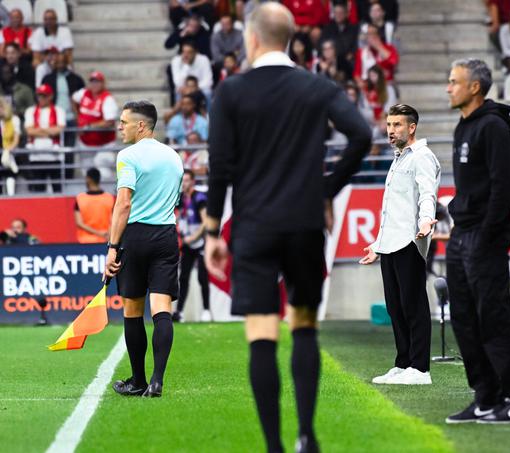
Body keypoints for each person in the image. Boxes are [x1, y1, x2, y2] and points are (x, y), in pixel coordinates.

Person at [203, 4, 371, 452]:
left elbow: (219, 166)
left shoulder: (231, 91)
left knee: (262, 333)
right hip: (304, 224)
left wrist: (212, 231)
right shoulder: (316, 86)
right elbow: (362, 135)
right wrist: (326, 191)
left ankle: (274, 446)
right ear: (292, 38)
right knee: (304, 325)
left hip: (254, 227)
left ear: (251, 39)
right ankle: (307, 435)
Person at [445, 59, 510, 424]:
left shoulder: (493, 127)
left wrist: (487, 235)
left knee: (493, 317)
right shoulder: (462, 128)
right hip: (461, 234)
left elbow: (501, 189)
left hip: (484, 238)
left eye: (454, 82)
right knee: (463, 319)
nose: (449, 88)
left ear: (474, 87)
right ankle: (485, 397)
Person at [105, 101, 184, 398]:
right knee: (162, 308)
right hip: (166, 234)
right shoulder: (174, 157)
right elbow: (176, 200)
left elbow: (123, 203)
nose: (119, 127)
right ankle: (157, 380)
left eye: (123, 122)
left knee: (133, 310)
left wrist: (113, 246)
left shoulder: (127, 156)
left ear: (141, 125)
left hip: (135, 236)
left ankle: (138, 380)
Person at [359, 103, 440, 385]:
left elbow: (427, 194)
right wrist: (376, 244)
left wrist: (427, 220)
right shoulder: (398, 159)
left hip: (410, 241)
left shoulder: (422, 157)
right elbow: (391, 211)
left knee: (413, 305)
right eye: (389, 125)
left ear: (411, 127)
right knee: (395, 306)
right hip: (390, 243)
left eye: (396, 125)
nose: (390, 130)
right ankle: (404, 363)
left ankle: (420, 369)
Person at [174, 170, 211, 323]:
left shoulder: (199, 198)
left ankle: (206, 311)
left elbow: (205, 221)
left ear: (193, 181)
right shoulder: (181, 198)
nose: (185, 183)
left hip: (201, 242)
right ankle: (179, 312)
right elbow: (179, 216)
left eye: (188, 180)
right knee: (184, 277)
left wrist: (193, 237)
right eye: (183, 180)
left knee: (203, 277)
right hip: (188, 243)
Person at [24, 83, 65, 193]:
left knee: (57, 190)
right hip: (36, 157)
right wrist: (49, 131)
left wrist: (38, 130)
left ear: (51, 96)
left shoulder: (58, 110)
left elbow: (59, 129)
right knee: (38, 190)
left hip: (54, 157)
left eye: (44, 95)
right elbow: (29, 131)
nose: (41, 98)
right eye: (39, 95)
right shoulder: (30, 111)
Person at [73, 71, 118, 147]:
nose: (94, 84)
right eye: (92, 81)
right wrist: (78, 117)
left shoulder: (107, 98)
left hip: (104, 145)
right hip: (84, 143)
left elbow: (109, 122)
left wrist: (88, 127)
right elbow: (73, 99)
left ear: (103, 83)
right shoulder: (84, 93)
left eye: (97, 82)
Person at [74, 168, 115, 244]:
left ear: (88, 179)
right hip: (105, 240)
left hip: (85, 242)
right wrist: (106, 234)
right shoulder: (109, 198)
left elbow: (79, 223)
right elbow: (113, 220)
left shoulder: (80, 198)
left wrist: (98, 233)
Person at [0, 97, 21, 196]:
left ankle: (11, 196)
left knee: (10, 172)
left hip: (10, 153)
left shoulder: (14, 120)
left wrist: (7, 150)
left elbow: (16, 140)